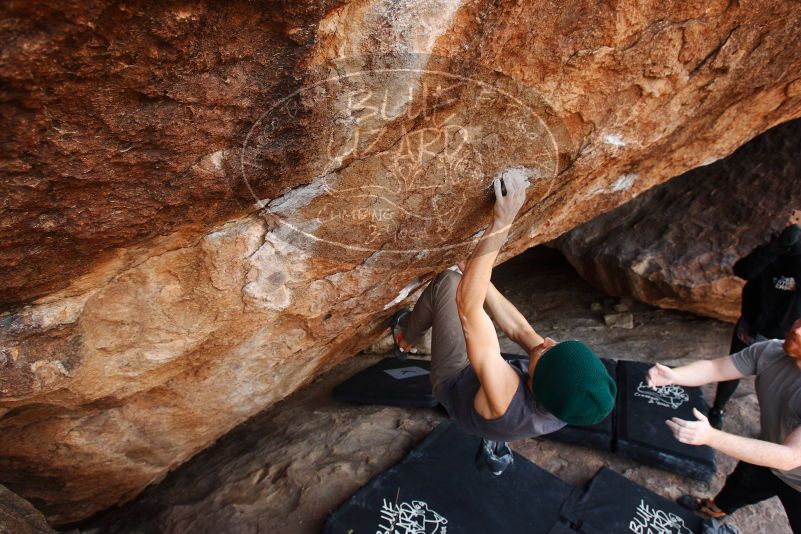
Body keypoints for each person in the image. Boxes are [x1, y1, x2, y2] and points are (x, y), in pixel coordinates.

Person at [391, 173, 616, 473]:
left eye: (548, 353)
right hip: (497, 401)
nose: (547, 342)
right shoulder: (565, 400)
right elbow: (520, 330)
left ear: (537, 385)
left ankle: (405, 337)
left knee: (448, 282)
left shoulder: (507, 398)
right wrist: (479, 275)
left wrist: (502, 223)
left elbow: (467, 308)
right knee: (470, 280)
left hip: (455, 382)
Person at [646, 318, 801, 533]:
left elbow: (790, 457)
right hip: (766, 452)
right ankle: (714, 509)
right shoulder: (770, 351)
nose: (798, 331)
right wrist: (675, 375)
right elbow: (716, 368)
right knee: (738, 487)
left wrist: (712, 437)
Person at [709, 214, 801, 430]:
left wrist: (797, 252)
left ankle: (774, 429)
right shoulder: (770, 252)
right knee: (732, 368)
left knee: (777, 383)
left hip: (781, 335)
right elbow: (743, 270)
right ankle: (717, 408)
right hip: (750, 324)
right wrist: (776, 248)